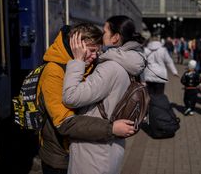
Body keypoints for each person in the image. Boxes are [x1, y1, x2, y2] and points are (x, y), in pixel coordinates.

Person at [37, 24, 135, 174]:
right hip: (60, 157)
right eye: (91, 51)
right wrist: (111, 128)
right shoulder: (53, 72)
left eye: (98, 51)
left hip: (81, 152)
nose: (95, 56)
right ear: (76, 46)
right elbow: (65, 124)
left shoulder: (88, 64)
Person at [62, 16, 146, 174]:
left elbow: (71, 97)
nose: (102, 35)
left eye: (105, 31)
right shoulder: (131, 66)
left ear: (115, 38)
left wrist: (78, 61)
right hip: (111, 147)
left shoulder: (110, 68)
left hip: (94, 152)